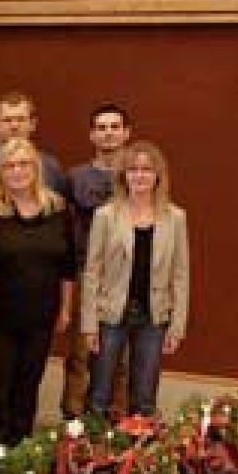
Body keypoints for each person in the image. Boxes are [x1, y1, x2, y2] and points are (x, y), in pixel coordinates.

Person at [0, 138, 75, 445]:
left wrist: (65, 309)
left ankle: (20, 454)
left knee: (27, 388)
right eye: (10, 165)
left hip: (41, 317)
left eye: (24, 164)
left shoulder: (58, 209)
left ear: (36, 168)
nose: (18, 171)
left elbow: (68, 266)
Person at [82, 141, 189, 418]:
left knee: (144, 396)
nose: (139, 176)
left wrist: (176, 326)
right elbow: (92, 271)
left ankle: (138, 456)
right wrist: (89, 324)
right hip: (110, 315)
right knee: (99, 393)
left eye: (146, 169)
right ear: (123, 176)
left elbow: (181, 275)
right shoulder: (105, 215)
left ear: (157, 176)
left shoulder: (176, 217)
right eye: (133, 170)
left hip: (154, 317)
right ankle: (92, 455)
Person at [60, 104, 132, 419]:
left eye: (115, 126)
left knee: (120, 354)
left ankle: (116, 421)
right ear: (92, 134)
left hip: (126, 274)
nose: (108, 133)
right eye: (101, 127)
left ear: (126, 133)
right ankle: (73, 421)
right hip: (84, 270)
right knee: (79, 351)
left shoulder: (140, 174)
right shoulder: (75, 177)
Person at [0, 92, 67, 196]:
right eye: (7, 120)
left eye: (21, 119)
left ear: (32, 124)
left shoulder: (50, 166)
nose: (14, 126)